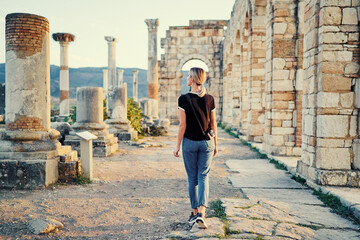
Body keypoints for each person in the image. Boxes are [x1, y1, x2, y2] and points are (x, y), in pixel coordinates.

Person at [173, 67, 218, 229]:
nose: (186, 78)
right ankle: (202, 213)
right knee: (204, 177)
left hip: (190, 143)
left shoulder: (183, 99)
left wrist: (177, 146)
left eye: (188, 76)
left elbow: (182, 125)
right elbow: (213, 124)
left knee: (192, 178)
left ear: (192, 79)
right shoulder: (210, 99)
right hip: (207, 142)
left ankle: (194, 213)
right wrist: (216, 145)